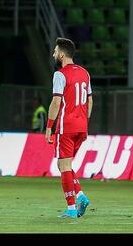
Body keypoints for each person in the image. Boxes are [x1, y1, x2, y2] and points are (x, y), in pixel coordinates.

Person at [45, 37, 93, 219]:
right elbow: (90, 100)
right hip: (81, 127)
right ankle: (80, 195)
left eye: (56, 51)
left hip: (66, 126)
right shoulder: (85, 73)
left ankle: (72, 209)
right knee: (63, 164)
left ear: (62, 54)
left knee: (64, 165)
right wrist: (84, 121)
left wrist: (49, 126)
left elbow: (56, 102)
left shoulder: (60, 74)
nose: (54, 54)